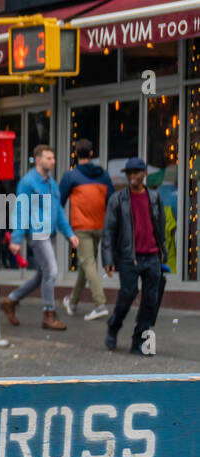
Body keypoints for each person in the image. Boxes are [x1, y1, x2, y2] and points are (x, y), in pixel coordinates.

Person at [0, 144, 78, 331]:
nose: (52, 161)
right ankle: (49, 314)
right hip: (37, 232)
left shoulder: (51, 183)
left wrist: (69, 234)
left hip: (48, 232)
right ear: (38, 159)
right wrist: (16, 239)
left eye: (53, 157)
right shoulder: (28, 182)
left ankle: (11, 300)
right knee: (51, 270)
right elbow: (21, 209)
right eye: (48, 158)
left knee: (42, 274)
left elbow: (58, 211)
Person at [102, 157, 166, 354]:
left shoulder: (154, 197)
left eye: (135, 173)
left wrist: (163, 253)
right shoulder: (117, 199)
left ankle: (139, 340)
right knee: (127, 294)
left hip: (153, 256)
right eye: (128, 173)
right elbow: (109, 231)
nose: (131, 177)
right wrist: (108, 259)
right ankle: (113, 326)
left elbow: (161, 226)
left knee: (150, 301)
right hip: (130, 256)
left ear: (144, 174)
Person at [58, 138, 112, 321]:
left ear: (76, 154)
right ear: (91, 154)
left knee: (88, 263)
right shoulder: (103, 175)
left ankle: (100, 303)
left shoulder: (71, 176)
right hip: (100, 225)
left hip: (82, 227)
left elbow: (59, 201)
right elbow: (110, 201)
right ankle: (72, 302)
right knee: (85, 263)